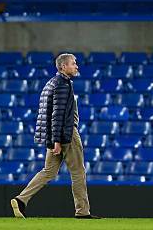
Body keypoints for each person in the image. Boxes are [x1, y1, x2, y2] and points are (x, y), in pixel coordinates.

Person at [10, 53, 101, 219]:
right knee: (78, 172)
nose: (76, 66)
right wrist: (57, 141)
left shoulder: (51, 83)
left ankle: (21, 200)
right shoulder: (63, 85)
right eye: (73, 64)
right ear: (63, 67)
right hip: (66, 134)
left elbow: (47, 114)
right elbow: (58, 115)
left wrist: (52, 140)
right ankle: (82, 212)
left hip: (55, 134)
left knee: (49, 171)